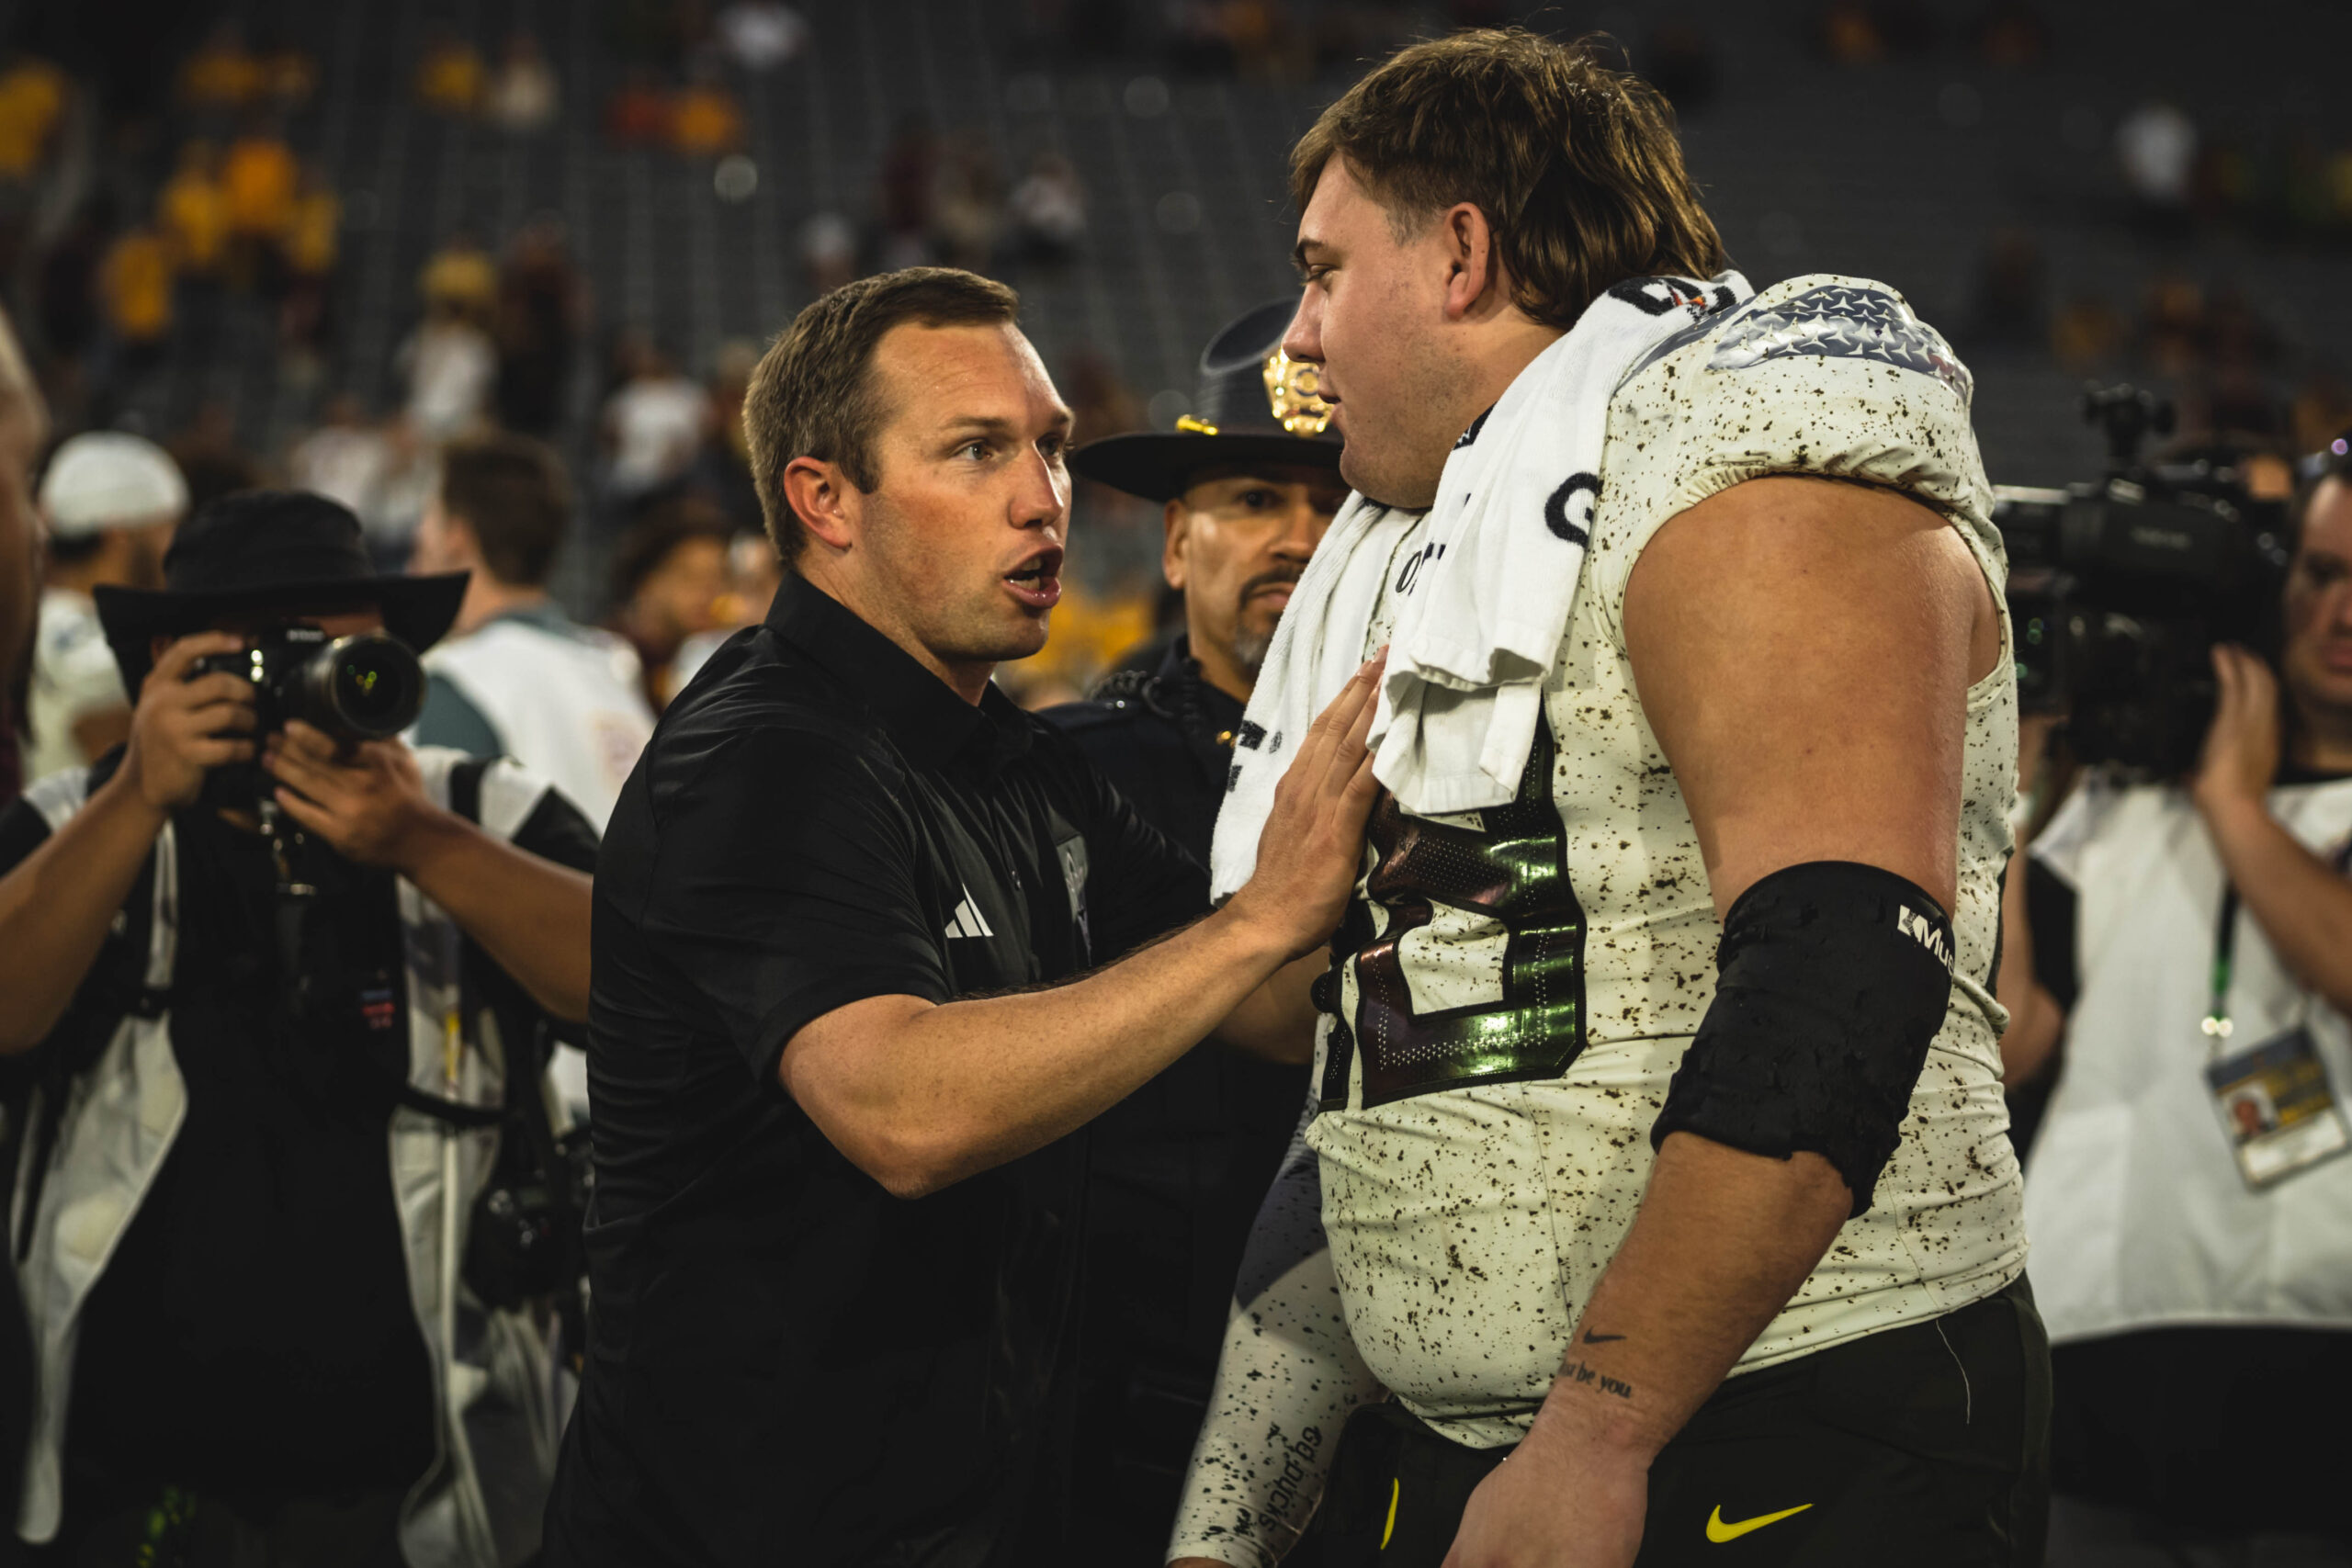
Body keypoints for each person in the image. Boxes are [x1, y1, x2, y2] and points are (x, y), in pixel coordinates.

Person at [1172, 30, 2041, 1568]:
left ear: (1459, 252)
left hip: (1773, 1414)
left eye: (1321, 269)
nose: (1297, 338)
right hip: (1474, 1434)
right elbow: (1395, 1078)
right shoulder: (1446, 535)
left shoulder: (1748, 456)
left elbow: (1843, 960)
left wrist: (1604, 1418)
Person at [537, 266, 1381, 1568]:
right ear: (824, 498)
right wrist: (1255, 920)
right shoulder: (765, 754)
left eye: (1046, 446)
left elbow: (1268, 1013)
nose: (1044, 496)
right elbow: (902, 1111)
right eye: (979, 449)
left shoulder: (1016, 760)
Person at [0, 491, 598, 1564]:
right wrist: (138, 796)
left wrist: (422, 842)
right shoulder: (77, 823)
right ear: (167, 665)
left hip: (427, 1494)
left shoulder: (481, 814)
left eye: (338, 652)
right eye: (262, 655)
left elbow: (644, 1000)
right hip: (129, 1494)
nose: (302, 685)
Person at [2004, 447, 2352, 1562]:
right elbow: (2008, 1042)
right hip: (2095, 1348)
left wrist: (2234, 808)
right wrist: (2001, 790)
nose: (2340, 611)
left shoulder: (2213, 797)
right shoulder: (2119, 801)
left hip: (2317, 1370)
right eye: (2319, 572)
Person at [1045, 297, 1348, 1559]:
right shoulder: (1062, 777)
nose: (1299, 539)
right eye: (1250, 500)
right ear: (1176, 543)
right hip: (1114, 1426)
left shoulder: (1488, 782)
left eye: (1337, 505)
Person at [409, 432, 655, 829]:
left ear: (456, 538)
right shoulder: (612, 664)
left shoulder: (458, 676)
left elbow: (444, 872)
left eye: (427, 524)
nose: (414, 556)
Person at [26, 434, 187, 786]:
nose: (173, 546)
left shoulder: (31, 617)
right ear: (119, 535)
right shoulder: (95, 643)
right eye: (165, 528)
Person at [602, 497, 729, 710]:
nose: (708, 594)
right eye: (690, 577)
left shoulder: (719, 664)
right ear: (646, 583)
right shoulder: (605, 660)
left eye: (718, 578)